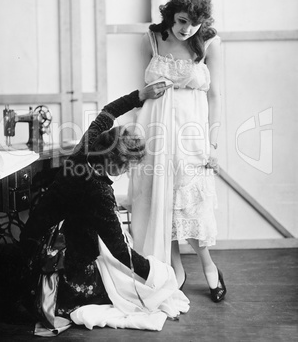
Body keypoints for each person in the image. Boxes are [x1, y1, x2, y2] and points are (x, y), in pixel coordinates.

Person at [19, 84, 189, 336]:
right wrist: (157, 274)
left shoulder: (85, 149)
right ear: (118, 164)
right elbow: (121, 252)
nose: (129, 172)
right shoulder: (99, 192)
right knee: (118, 285)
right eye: (129, 166)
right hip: (48, 260)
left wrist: (141, 95)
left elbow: (108, 111)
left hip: (32, 239)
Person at [127, 0, 226, 302]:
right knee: (161, 200)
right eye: (182, 20)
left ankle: (209, 266)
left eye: (195, 23)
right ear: (172, 14)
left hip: (191, 132)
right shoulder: (152, 39)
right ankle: (174, 268)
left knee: (190, 203)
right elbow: (142, 93)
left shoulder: (209, 42)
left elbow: (215, 96)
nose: (187, 29)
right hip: (154, 129)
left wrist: (211, 143)